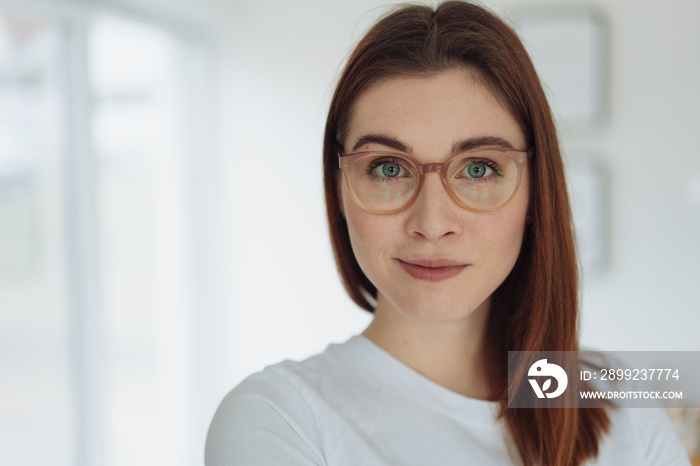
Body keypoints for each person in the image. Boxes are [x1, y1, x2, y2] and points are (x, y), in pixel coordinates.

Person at [206, 2, 691, 465]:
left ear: (535, 193)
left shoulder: (624, 401)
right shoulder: (277, 419)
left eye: (479, 169)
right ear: (338, 187)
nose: (432, 223)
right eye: (388, 168)